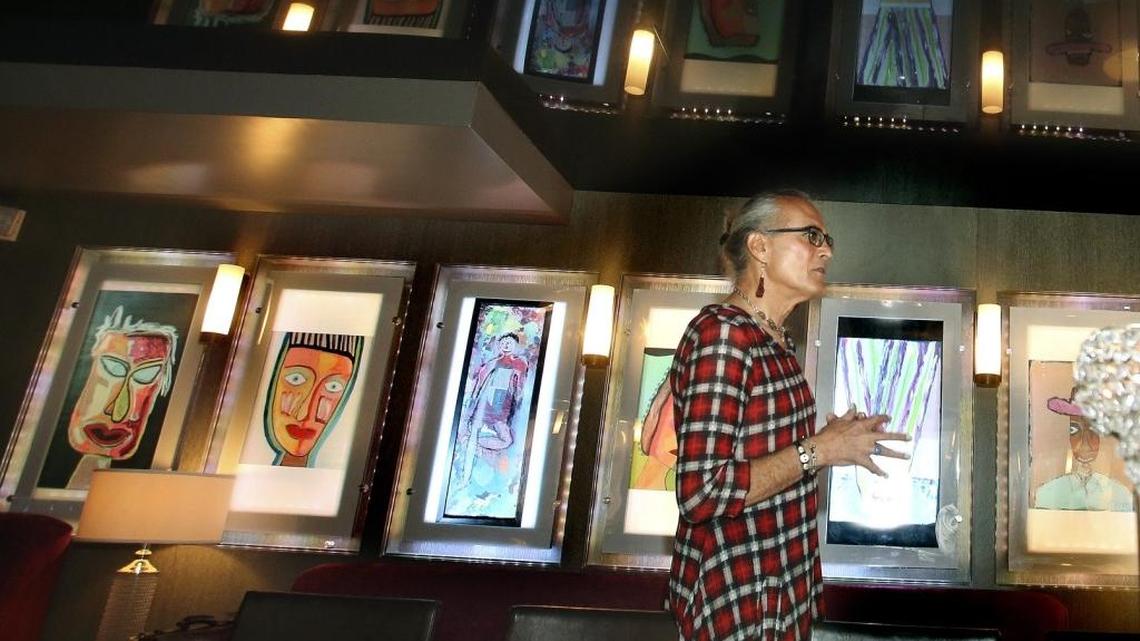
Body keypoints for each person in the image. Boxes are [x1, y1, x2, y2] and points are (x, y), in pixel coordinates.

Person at [668, 190, 911, 641]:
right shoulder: (724, 334)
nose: (828, 250)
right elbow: (701, 493)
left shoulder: (775, 340)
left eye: (827, 239)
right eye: (812, 235)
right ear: (760, 247)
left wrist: (830, 440)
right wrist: (820, 448)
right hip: (740, 591)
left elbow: (769, 456)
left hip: (777, 588)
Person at [1034, 390, 1133, 512]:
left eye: (1094, 430)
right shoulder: (1047, 493)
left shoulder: (1122, 495)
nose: (1085, 444)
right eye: (1073, 430)